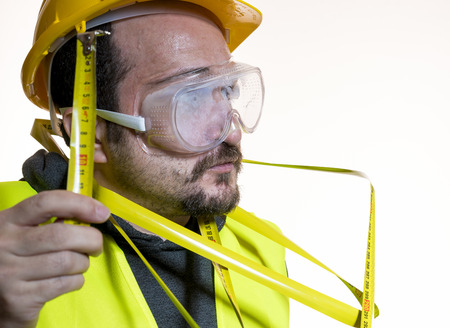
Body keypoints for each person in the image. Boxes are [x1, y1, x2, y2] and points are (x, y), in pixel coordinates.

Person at [0, 0, 289, 327]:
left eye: (226, 90)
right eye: (190, 99)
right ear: (90, 133)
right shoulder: (8, 242)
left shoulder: (262, 252)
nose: (233, 134)